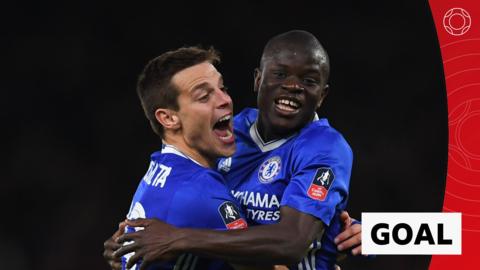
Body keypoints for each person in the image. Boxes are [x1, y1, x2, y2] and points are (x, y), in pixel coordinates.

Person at [107, 30, 363, 270]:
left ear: (322, 96)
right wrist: (130, 244)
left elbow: (292, 241)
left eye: (308, 80)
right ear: (258, 80)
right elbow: (186, 195)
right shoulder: (230, 133)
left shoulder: (325, 148)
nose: (293, 86)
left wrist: (177, 238)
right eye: (280, 74)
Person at [116, 46, 255, 270]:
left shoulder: (160, 168)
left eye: (222, 88)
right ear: (169, 118)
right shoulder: (202, 192)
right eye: (203, 96)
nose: (225, 100)